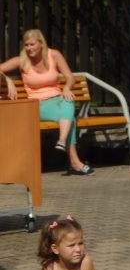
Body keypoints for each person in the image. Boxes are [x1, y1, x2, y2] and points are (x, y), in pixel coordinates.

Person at [0, 29, 94, 175]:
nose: (29, 48)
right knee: (70, 119)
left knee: (68, 101)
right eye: (26, 45)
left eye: (32, 44)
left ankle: (62, 141)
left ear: (41, 44)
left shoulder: (54, 55)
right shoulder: (21, 60)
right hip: (36, 105)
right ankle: (75, 161)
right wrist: (7, 80)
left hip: (56, 100)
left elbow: (70, 78)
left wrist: (66, 88)